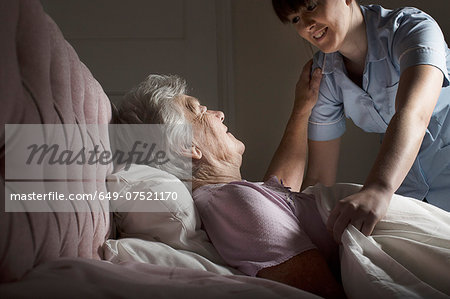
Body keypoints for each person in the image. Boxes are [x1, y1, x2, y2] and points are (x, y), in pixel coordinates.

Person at [114, 70, 450, 298]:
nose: (218, 114)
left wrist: (302, 109)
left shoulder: (233, 198)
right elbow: (318, 288)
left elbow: (280, 199)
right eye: (199, 110)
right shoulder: (229, 203)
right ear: (188, 147)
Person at [271, 0, 450, 242]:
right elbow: (320, 176)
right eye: (295, 19)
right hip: (411, 196)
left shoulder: (412, 29)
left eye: (311, 6)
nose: (306, 25)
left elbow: (413, 114)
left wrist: (378, 189)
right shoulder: (323, 74)